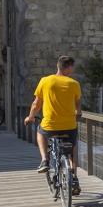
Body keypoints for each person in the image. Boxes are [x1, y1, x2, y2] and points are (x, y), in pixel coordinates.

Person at [24, 55, 82, 196]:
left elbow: (36, 104)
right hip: (69, 125)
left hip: (50, 126)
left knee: (40, 132)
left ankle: (45, 160)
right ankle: (73, 176)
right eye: (72, 67)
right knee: (73, 147)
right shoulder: (74, 84)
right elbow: (78, 104)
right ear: (68, 68)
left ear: (58, 66)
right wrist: (78, 113)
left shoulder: (45, 81)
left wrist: (30, 117)